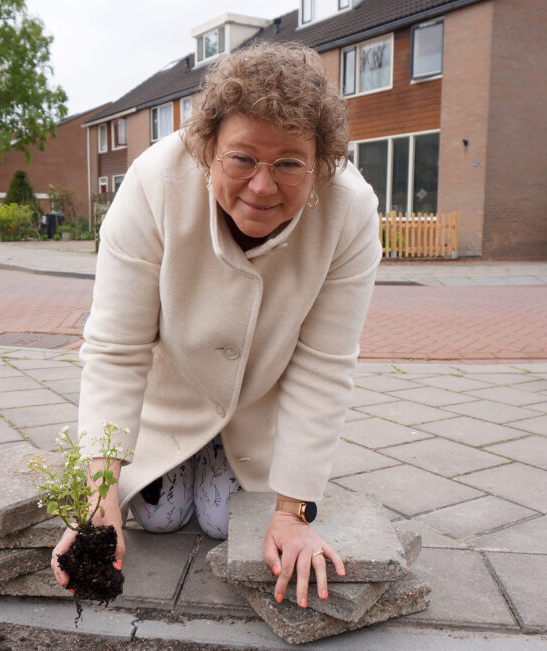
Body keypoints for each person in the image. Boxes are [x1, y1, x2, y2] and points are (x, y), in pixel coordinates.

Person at [52, 41, 381, 609]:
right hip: (170, 398)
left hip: (259, 408)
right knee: (158, 516)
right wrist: (99, 493)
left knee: (223, 523)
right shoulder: (154, 182)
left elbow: (323, 366)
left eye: (288, 163)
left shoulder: (351, 211)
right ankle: (179, 455)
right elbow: (116, 349)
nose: (262, 186)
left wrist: (294, 511)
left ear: (322, 162)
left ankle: (224, 456)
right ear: (207, 149)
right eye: (242, 159)